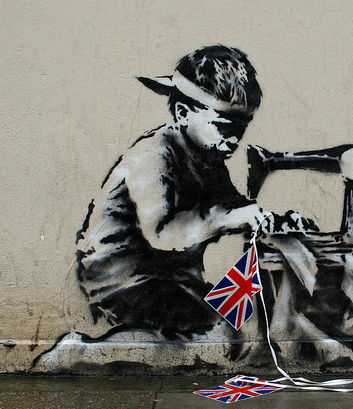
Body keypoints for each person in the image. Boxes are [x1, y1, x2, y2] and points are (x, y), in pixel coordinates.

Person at [74, 45, 315, 341]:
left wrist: (272, 221)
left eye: (241, 128)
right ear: (182, 113)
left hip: (173, 278)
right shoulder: (154, 154)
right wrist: (226, 218)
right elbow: (161, 233)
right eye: (223, 127)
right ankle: (90, 349)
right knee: (218, 327)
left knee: (244, 309)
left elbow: (234, 208)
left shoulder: (209, 159)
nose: (234, 140)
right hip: (123, 280)